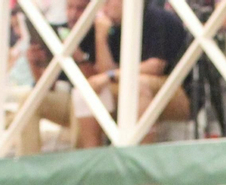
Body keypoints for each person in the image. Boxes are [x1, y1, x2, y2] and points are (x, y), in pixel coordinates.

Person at [77, 0, 190, 147]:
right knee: (87, 91)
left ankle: (139, 156)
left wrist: (110, 76)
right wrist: (101, 38)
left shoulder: (154, 16)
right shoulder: (111, 26)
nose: (104, 6)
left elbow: (156, 66)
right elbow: (106, 72)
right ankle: (92, 158)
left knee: (137, 85)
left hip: (175, 89)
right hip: (127, 85)